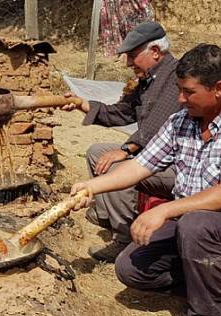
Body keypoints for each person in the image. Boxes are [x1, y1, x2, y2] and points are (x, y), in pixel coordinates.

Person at [70, 44, 221, 316]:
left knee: (196, 224)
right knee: (130, 268)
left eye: (188, 91)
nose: (180, 99)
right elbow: (140, 165)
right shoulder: (182, 120)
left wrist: (164, 210)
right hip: (191, 223)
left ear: (218, 88)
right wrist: (91, 187)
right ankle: (214, 285)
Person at [62, 21, 181, 262]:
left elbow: (158, 127)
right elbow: (121, 113)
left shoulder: (176, 77)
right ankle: (109, 217)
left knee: (116, 165)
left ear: (155, 52)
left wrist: (125, 150)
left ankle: (126, 238)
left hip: (176, 163)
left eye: (133, 56)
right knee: (97, 152)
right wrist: (80, 104)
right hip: (152, 155)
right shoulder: (149, 80)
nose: (128, 63)